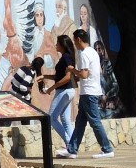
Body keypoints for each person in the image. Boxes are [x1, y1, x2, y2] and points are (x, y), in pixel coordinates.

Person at [67, 28, 114, 159]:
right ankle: (72, 149)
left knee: (95, 121)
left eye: (75, 41)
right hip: (89, 91)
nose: (75, 44)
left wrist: (73, 70)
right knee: (80, 122)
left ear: (78, 39)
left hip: (89, 92)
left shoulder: (84, 54)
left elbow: (84, 74)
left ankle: (107, 149)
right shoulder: (93, 52)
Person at [43, 34, 78, 155]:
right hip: (69, 91)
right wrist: (44, 76)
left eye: (57, 43)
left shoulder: (66, 57)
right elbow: (59, 76)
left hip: (64, 91)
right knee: (65, 119)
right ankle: (72, 148)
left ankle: (69, 144)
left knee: (51, 118)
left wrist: (52, 88)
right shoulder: (66, 57)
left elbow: (68, 77)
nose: (56, 45)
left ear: (62, 45)